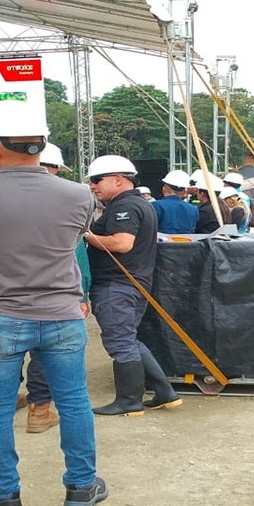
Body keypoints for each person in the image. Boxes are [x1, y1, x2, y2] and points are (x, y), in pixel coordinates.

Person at [0, 99, 105, 506]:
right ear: (41, 144)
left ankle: (4, 498)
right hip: (63, 315)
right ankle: (82, 487)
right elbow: (68, 241)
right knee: (74, 402)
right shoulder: (79, 194)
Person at [83, 154, 181, 416]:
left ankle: (129, 401)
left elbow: (122, 244)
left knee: (120, 343)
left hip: (117, 285)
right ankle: (164, 392)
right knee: (129, 339)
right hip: (131, 284)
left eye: (96, 180)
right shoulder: (140, 203)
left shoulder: (124, 207)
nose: (93, 186)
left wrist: (86, 235)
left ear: (118, 179)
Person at [17, 146, 94, 434]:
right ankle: (39, 410)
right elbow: (78, 257)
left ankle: (11, 396)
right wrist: (83, 295)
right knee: (44, 353)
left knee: (7, 350)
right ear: (55, 169)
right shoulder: (70, 201)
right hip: (54, 298)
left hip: (3, 296)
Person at [151, 170, 198, 234]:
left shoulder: (156, 206)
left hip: (161, 243)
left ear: (164, 189)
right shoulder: (193, 209)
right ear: (184, 191)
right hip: (187, 243)